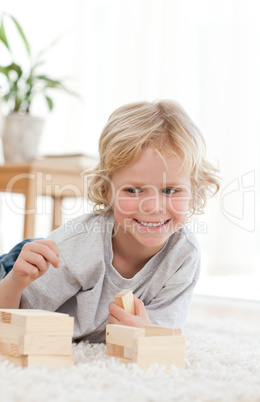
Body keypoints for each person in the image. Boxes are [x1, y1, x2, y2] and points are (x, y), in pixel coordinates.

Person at [0, 100, 220, 342]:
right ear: (107, 190)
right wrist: (15, 281)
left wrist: (144, 334)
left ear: (194, 191)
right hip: (19, 272)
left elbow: (163, 337)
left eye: (170, 191)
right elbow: (10, 320)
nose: (153, 206)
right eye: (133, 190)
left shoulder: (184, 253)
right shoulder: (76, 249)